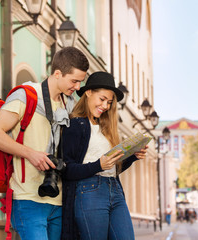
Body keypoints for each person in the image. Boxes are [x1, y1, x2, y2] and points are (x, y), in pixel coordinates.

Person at [0, 47, 89, 240]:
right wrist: (31, 153)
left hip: (59, 200)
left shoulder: (70, 104)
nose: (77, 86)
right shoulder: (27, 95)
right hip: (27, 199)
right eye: (74, 81)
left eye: (80, 82)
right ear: (58, 73)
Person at [61, 71, 148, 240]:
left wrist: (132, 156)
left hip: (114, 188)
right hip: (89, 191)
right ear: (88, 92)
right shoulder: (75, 124)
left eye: (109, 102)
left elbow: (112, 168)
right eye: (102, 99)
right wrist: (98, 165)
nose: (106, 106)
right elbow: (67, 169)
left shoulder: (105, 128)